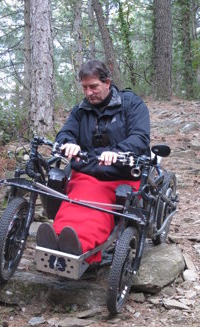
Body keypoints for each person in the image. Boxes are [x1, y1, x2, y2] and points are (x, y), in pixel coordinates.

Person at [37, 59, 150, 264]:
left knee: (98, 212)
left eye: (94, 87)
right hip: (87, 174)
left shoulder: (131, 104)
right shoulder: (81, 110)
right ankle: (57, 241)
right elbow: (65, 133)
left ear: (107, 82)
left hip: (120, 176)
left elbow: (141, 137)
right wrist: (68, 143)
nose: (89, 93)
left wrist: (118, 152)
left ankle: (81, 247)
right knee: (74, 205)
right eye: (84, 88)